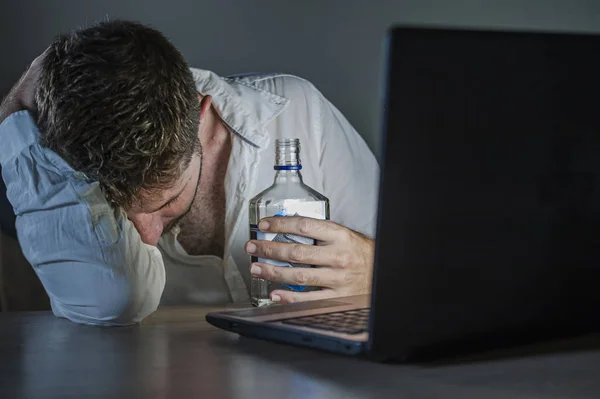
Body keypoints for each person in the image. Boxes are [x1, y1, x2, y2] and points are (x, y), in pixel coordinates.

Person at [0, 20, 379, 326]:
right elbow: (106, 302)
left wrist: (372, 271)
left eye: (164, 201)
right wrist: (12, 113)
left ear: (200, 117)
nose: (146, 236)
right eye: (122, 211)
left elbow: (415, 267)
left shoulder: (300, 115)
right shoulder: (75, 160)